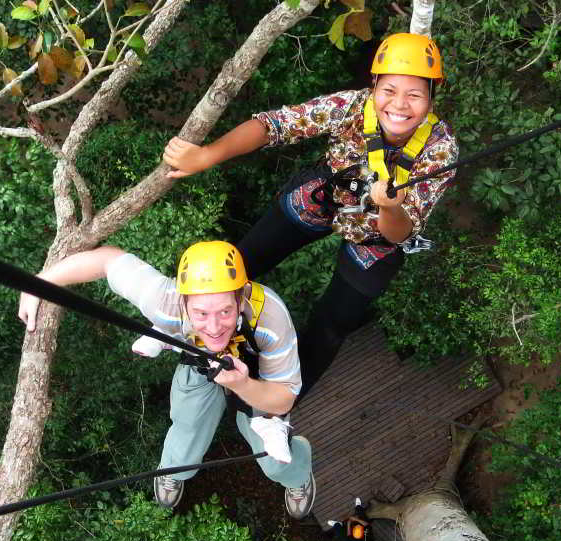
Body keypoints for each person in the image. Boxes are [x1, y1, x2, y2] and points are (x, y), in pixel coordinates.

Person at [162, 33, 459, 399]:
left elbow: (398, 234)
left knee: (333, 324)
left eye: (415, 95)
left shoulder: (440, 151)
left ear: (432, 98)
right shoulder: (352, 107)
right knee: (241, 264)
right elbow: (275, 125)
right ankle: (199, 336)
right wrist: (207, 155)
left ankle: (282, 397)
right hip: (328, 198)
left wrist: (391, 205)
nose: (399, 105)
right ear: (374, 87)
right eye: (389, 90)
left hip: (378, 235)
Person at [17, 241, 316, 519]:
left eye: (225, 311)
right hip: (199, 364)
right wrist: (38, 283)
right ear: (183, 303)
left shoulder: (270, 317)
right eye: (200, 313)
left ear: (241, 297)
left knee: (275, 454)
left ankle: (297, 476)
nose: (213, 327)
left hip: (257, 376)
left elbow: (284, 397)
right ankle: (175, 469)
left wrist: (242, 385)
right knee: (186, 425)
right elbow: (106, 260)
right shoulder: (164, 302)